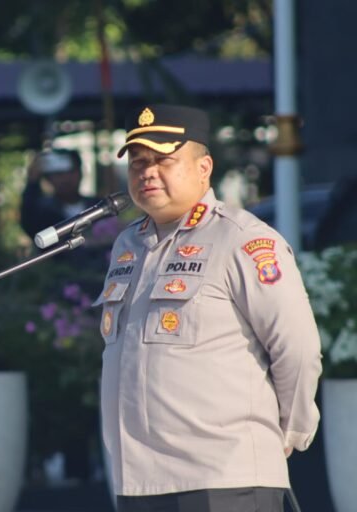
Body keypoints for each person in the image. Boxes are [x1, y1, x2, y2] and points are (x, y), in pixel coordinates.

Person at [97, 104, 322, 512]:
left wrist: (286, 434)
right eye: (138, 162)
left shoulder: (243, 240)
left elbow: (297, 348)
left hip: (224, 479)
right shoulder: (126, 246)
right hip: (138, 481)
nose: (147, 172)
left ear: (204, 167)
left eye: (164, 160)